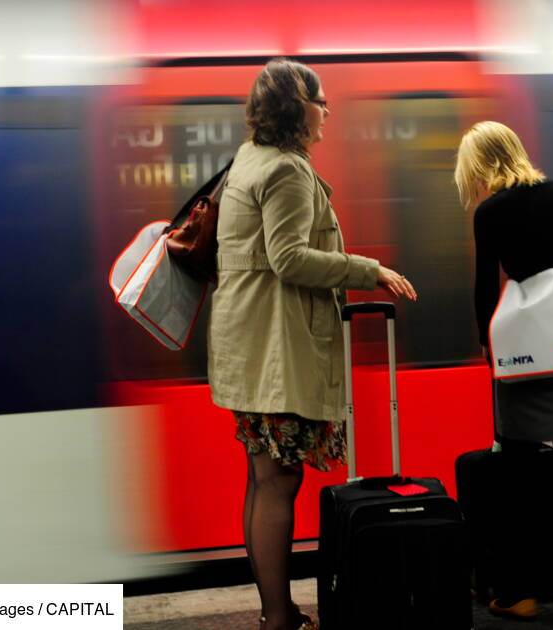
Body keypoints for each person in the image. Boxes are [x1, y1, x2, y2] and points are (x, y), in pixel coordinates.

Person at [207, 58, 418, 630]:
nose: (328, 111)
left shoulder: (249, 159)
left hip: (247, 345)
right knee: (280, 479)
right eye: (321, 100)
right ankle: (278, 616)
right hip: (273, 346)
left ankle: (275, 611)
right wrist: (366, 269)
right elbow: (289, 257)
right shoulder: (285, 171)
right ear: (299, 109)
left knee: (262, 477)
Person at [456, 121, 553, 625]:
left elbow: (483, 288)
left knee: (519, 477)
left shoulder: (490, 211)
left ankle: (521, 593)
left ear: (480, 165)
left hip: (523, 351)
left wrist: (487, 346)